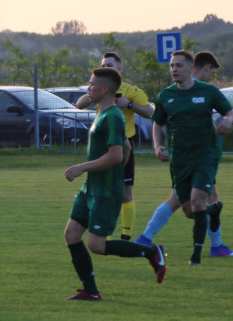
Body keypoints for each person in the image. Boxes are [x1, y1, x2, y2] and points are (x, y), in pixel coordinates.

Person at [62, 68, 167, 301]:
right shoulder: (103, 113)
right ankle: (90, 290)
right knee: (71, 234)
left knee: (97, 245)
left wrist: (83, 167)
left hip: (105, 192)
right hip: (92, 189)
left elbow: (116, 155)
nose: (88, 88)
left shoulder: (112, 117)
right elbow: (127, 149)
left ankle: (152, 252)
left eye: (91, 85)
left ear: (105, 89)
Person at [135, 51, 233, 257]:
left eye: (178, 66)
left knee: (202, 198)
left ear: (190, 67)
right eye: (171, 66)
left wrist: (228, 121)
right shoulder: (166, 95)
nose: (174, 69)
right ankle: (213, 232)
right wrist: (157, 146)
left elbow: (230, 112)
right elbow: (158, 123)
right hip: (180, 160)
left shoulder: (209, 91)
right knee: (188, 209)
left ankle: (216, 246)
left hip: (205, 156)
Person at [75, 52, 155, 240]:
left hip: (122, 146)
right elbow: (79, 104)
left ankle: (126, 234)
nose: (106, 68)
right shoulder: (100, 90)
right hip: (101, 148)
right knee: (99, 190)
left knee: (125, 191)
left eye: (110, 65)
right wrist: (93, 96)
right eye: (104, 65)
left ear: (119, 69)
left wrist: (129, 106)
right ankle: (103, 233)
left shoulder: (131, 90)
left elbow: (150, 112)